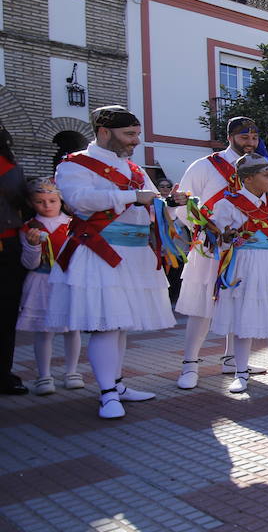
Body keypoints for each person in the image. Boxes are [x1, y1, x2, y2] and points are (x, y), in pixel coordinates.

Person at [51, 106, 182, 419]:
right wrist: (131, 197)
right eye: (129, 134)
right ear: (104, 132)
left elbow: (154, 206)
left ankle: (117, 384)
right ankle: (107, 394)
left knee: (120, 325)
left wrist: (172, 204)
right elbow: (78, 200)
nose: (135, 141)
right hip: (99, 252)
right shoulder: (74, 164)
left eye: (137, 134)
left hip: (135, 254)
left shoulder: (134, 170)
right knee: (106, 325)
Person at [175, 116, 263, 389]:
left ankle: (231, 360)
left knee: (237, 301)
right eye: (244, 137)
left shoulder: (259, 166)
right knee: (202, 306)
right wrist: (206, 229)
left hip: (243, 247)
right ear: (230, 137)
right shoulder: (205, 166)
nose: (250, 143)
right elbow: (183, 205)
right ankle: (189, 365)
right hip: (210, 245)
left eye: (254, 138)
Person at [208, 154, 268, 391]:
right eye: (266, 174)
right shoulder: (227, 204)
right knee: (244, 316)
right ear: (248, 178)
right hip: (244, 264)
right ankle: (241, 373)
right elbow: (217, 241)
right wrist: (226, 238)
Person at [18, 178, 83, 395]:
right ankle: (44, 375)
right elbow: (30, 264)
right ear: (30, 203)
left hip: (68, 281)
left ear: (60, 200)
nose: (47, 206)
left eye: (52, 200)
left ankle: (72, 372)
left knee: (72, 329)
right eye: (40, 201)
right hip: (42, 282)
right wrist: (33, 246)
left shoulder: (74, 224)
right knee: (44, 331)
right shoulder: (29, 228)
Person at [0, 125, 27, 395]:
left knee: (6, 314)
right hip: (7, 246)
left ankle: (3, 374)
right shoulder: (9, 164)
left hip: (8, 246)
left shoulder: (9, 164)